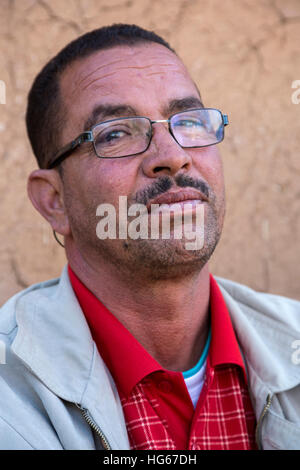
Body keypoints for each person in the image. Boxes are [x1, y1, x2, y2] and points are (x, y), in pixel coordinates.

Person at [0, 23, 299, 451]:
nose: (173, 156)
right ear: (54, 201)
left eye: (190, 121)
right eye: (116, 133)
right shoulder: (10, 393)